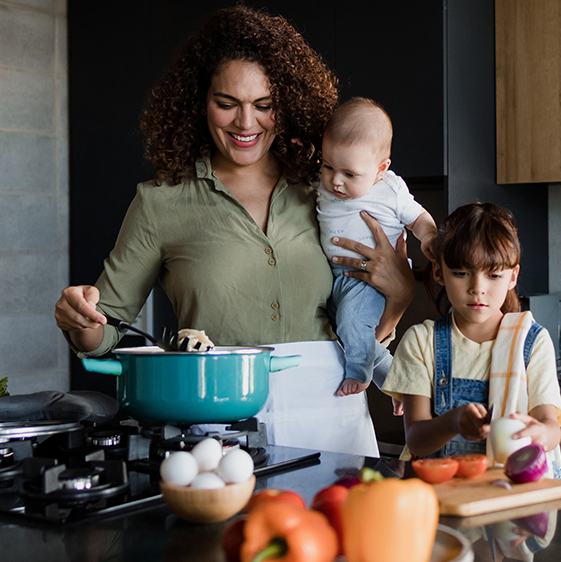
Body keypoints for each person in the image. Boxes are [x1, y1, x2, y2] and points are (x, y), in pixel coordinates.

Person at [53, 5, 414, 458]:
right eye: (227, 104)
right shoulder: (161, 202)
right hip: (216, 431)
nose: (246, 123)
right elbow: (103, 331)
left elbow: (365, 314)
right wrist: (79, 319)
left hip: (333, 420)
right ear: (199, 101)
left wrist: (400, 296)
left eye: (264, 106)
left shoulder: (325, 191)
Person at [380, 203, 561, 476]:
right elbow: (416, 438)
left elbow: (550, 425)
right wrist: (453, 421)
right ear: (438, 272)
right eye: (461, 273)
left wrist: (541, 433)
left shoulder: (532, 341)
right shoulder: (421, 342)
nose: (478, 288)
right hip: (445, 492)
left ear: (512, 276)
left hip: (514, 490)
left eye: (493, 275)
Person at [316, 98, 437, 397]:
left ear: (380, 169)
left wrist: (431, 237)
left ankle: (359, 375)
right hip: (338, 278)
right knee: (345, 334)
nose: (336, 181)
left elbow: (418, 218)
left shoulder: (391, 191)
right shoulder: (322, 182)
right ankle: (399, 387)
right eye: (328, 166)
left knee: (351, 325)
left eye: (350, 174)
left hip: (369, 279)